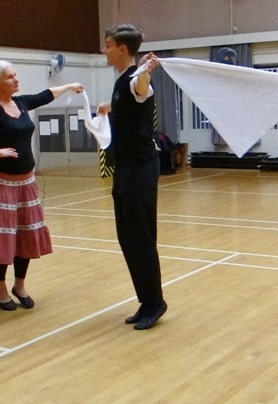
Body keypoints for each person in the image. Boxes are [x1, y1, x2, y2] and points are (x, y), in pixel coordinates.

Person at [0, 60, 83, 310]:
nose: (16, 79)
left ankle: (19, 285)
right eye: (10, 77)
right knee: (2, 236)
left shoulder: (20, 103)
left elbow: (45, 95)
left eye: (15, 75)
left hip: (25, 182)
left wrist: (69, 86)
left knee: (25, 234)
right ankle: (0, 287)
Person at [96, 24, 167, 330]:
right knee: (127, 237)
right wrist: (109, 108)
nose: (104, 50)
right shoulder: (121, 81)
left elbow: (141, 89)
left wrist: (145, 72)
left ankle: (155, 303)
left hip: (140, 168)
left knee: (141, 237)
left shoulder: (137, 80)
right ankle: (145, 300)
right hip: (124, 168)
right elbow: (128, 102)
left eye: (108, 45)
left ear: (122, 49)